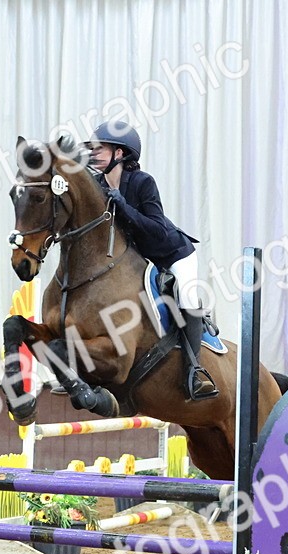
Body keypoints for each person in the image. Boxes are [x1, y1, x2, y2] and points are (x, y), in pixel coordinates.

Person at [85, 121, 217, 400]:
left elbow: (156, 228)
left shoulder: (143, 182)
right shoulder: (97, 185)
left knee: (187, 299)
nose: (94, 154)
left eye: (101, 148)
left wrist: (122, 204)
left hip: (173, 254)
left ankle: (195, 371)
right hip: (140, 260)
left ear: (120, 154)